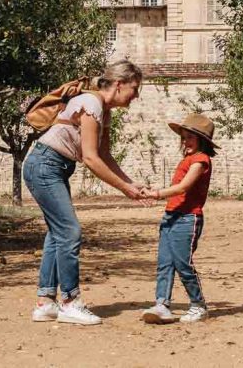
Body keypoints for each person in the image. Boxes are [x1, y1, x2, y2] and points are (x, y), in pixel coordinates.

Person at [24, 60, 151, 326]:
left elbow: (104, 155)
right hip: (45, 165)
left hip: (54, 166)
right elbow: (92, 160)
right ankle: (70, 302)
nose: (136, 96)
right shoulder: (91, 103)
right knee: (70, 232)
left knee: (57, 234)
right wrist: (125, 189)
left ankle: (46, 302)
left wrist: (131, 182)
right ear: (119, 84)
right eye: (134, 88)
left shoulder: (103, 111)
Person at [141, 111, 216, 325]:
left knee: (183, 264)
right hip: (171, 216)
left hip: (187, 219)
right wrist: (155, 192)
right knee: (164, 263)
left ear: (201, 139)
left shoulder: (201, 160)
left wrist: (156, 193)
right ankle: (162, 304)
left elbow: (183, 187)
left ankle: (198, 305)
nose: (185, 141)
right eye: (183, 137)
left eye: (190, 137)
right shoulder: (188, 159)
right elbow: (177, 190)